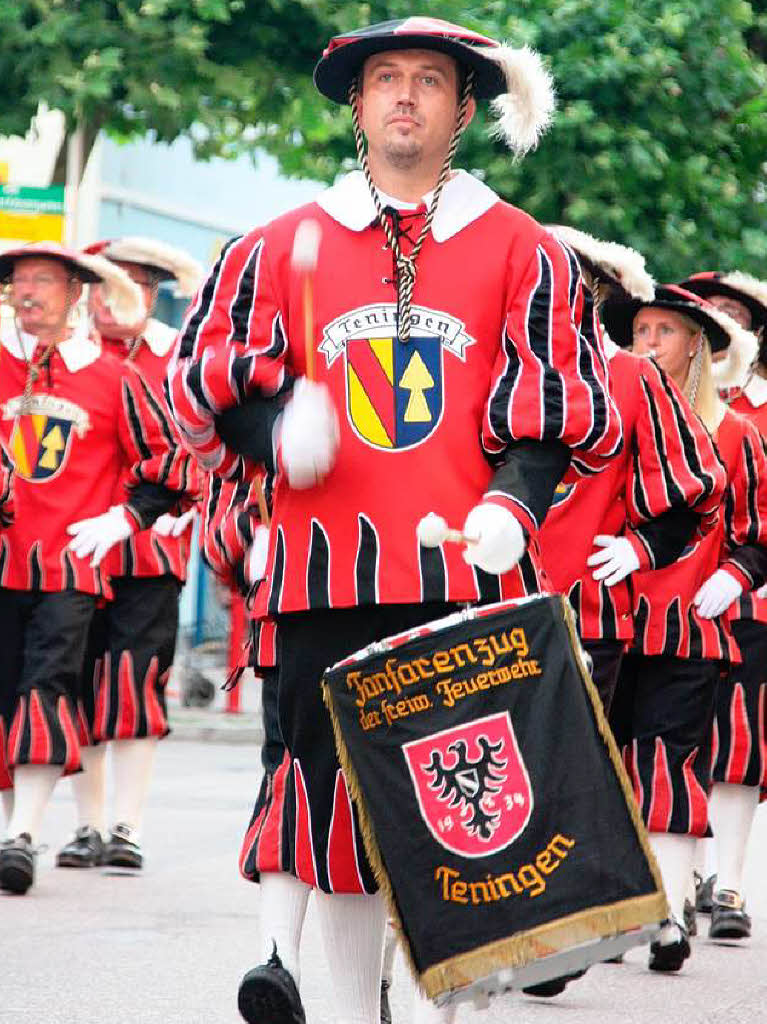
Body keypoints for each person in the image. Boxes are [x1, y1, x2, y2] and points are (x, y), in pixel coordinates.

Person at [167, 18, 623, 1023]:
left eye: (428, 80)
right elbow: (203, 381)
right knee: (329, 800)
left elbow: (556, 404)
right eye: (384, 79)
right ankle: (341, 1007)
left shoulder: (522, 250)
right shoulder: (275, 247)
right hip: (319, 574)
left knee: (459, 813)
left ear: (465, 108)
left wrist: (514, 500)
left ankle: (436, 1013)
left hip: (465, 578)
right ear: (356, 102)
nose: (404, 96)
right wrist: (271, 425)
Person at [0, 242, 184, 895]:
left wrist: (134, 518)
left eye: (42, 280)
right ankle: (52, 827)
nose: (27, 293)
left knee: (94, 685)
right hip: (14, 558)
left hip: (98, 557)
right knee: (38, 688)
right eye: (19, 281)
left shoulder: (139, 369)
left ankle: (60, 831)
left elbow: (178, 456)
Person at [601, 284, 766, 972]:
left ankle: (667, 915)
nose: (646, 342)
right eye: (638, 329)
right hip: (608, 618)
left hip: (688, 623)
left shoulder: (733, 430)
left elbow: (758, 532)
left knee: (669, 763)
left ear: (695, 343)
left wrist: (734, 574)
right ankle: (610, 909)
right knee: (602, 768)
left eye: (662, 330)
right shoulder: (605, 423)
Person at [53, 237, 202, 873]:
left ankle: (126, 825)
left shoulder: (181, 355)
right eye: (105, 285)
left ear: (150, 293)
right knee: (80, 679)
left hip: (153, 544)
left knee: (136, 682)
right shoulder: (66, 359)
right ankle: (85, 824)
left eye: (133, 286)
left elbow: (209, 437)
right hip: (77, 545)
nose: (116, 298)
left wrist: (197, 503)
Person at [539, 230, 725, 713]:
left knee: (577, 765)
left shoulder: (633, 376)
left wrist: (640, 547)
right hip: (498, 608)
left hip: (590, 611)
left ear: (593, 294)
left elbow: (694, 482)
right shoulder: (507, 367)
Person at [677, 270, 767, 939]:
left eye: (733, 312)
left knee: (738, 745)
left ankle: (730, 885)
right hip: (665, 594)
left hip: (751, 594)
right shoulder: (661, 400)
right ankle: (685, 879)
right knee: (672, 742)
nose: (720, 320)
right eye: (708, 313)